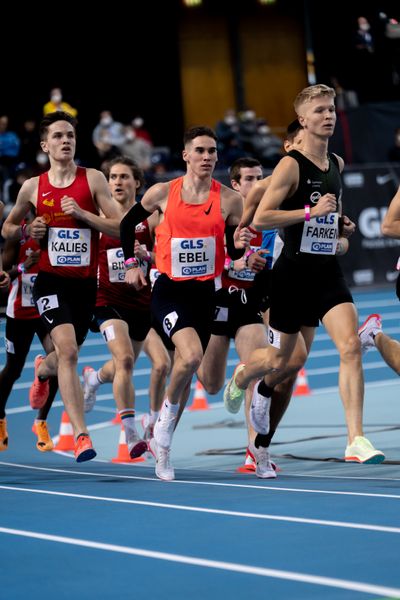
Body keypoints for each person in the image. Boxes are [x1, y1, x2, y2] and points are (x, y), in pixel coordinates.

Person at [224, 84, 384, 466]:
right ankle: (245, 374)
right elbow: (263, 216)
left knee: (349, 346)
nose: (328, 116)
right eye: (320, 111)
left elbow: (330, 212)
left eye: (331, 109)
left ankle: (356, 439)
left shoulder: (337, 164)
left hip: (327, 272)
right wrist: (309, 214)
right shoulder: (291, 164)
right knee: (280, 361)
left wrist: (339, 225)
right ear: (303, 120)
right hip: (291, 275)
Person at [120, 125, 252, 481]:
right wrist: (133, 264)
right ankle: (161, 433)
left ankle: (162, 439)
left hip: (205, 294)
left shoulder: (229, 200)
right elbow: (126, 224)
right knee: (190, 355)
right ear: (186, 155)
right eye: (200, 151)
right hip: (168, 290)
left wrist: (240, 242)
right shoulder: (163, 192)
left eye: (212, 151)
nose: (207, 157)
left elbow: (236, 247)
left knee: (195, 373)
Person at [1, 111, 121, 462]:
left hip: (85, 285)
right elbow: (7, 227)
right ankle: (81, 435)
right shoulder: (33, 187)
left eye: (70, 135)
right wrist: (27, 230)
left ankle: (41, 369)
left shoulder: (94, 179)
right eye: (57, 136)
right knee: (68, 351)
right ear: (44, 145)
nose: (65, 140)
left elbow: (119, 227)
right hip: (49, 282)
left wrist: (86, 216)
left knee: (64, 356)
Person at [80, 156, 159, 458]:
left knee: (124, 365)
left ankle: (94, 378)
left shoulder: (149, 219)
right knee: (125, 359)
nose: (117, 182)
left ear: (137, 183)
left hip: (141, 300)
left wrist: (146, 254)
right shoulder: (100, 215)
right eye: (112, 177)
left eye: (124, 177)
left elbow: (162, 252)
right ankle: (130, 432)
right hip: (107, 299)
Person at [0, 214, 58, 452]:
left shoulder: (55, 234)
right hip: (20, 312)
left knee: (59, 361)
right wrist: (26, 266)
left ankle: (41, 422)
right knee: (13, 369)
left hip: (46, 309)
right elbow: (3, 278)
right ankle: (0, 419)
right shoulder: (17, 237)